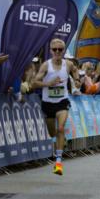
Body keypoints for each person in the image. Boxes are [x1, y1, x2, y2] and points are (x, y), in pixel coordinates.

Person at [33, 37, 73, 176]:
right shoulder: (46, 65)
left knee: (60, 128)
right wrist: (48, 84)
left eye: (60, 49)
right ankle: (62, 141)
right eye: (54, 49)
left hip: (62, 101)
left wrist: (78, 81)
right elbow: (34, 83)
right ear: (50, 51)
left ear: (63, 51)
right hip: (48, 103)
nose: (57, 52)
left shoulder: (68, 65)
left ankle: (58, 162)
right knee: (52, 133)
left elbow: (75, 73)